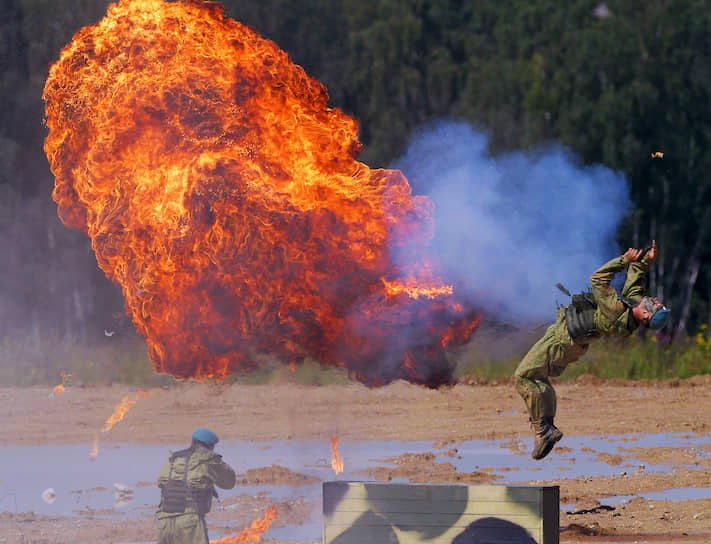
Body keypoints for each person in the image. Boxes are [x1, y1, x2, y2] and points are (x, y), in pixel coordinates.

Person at [514, 240, 670, 460]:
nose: (655, 300)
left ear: (646, 316)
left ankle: (543, 431)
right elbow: (633, 285)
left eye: (655, 306)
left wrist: (624, 260)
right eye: (657, 302)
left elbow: (597, 279)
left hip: (562, 340)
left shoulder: (616, 311)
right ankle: (548, 429)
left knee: (522, 377)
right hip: (571, 343)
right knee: (538, 378)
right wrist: (645, 261)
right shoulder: (633, 309)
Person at [156, 428, 236, 543]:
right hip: (189, 523)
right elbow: (229, 482)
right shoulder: (208, 459)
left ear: (192, 442)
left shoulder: (173, 459)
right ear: (211, 446)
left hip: (163, 522)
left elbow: (161, 483)